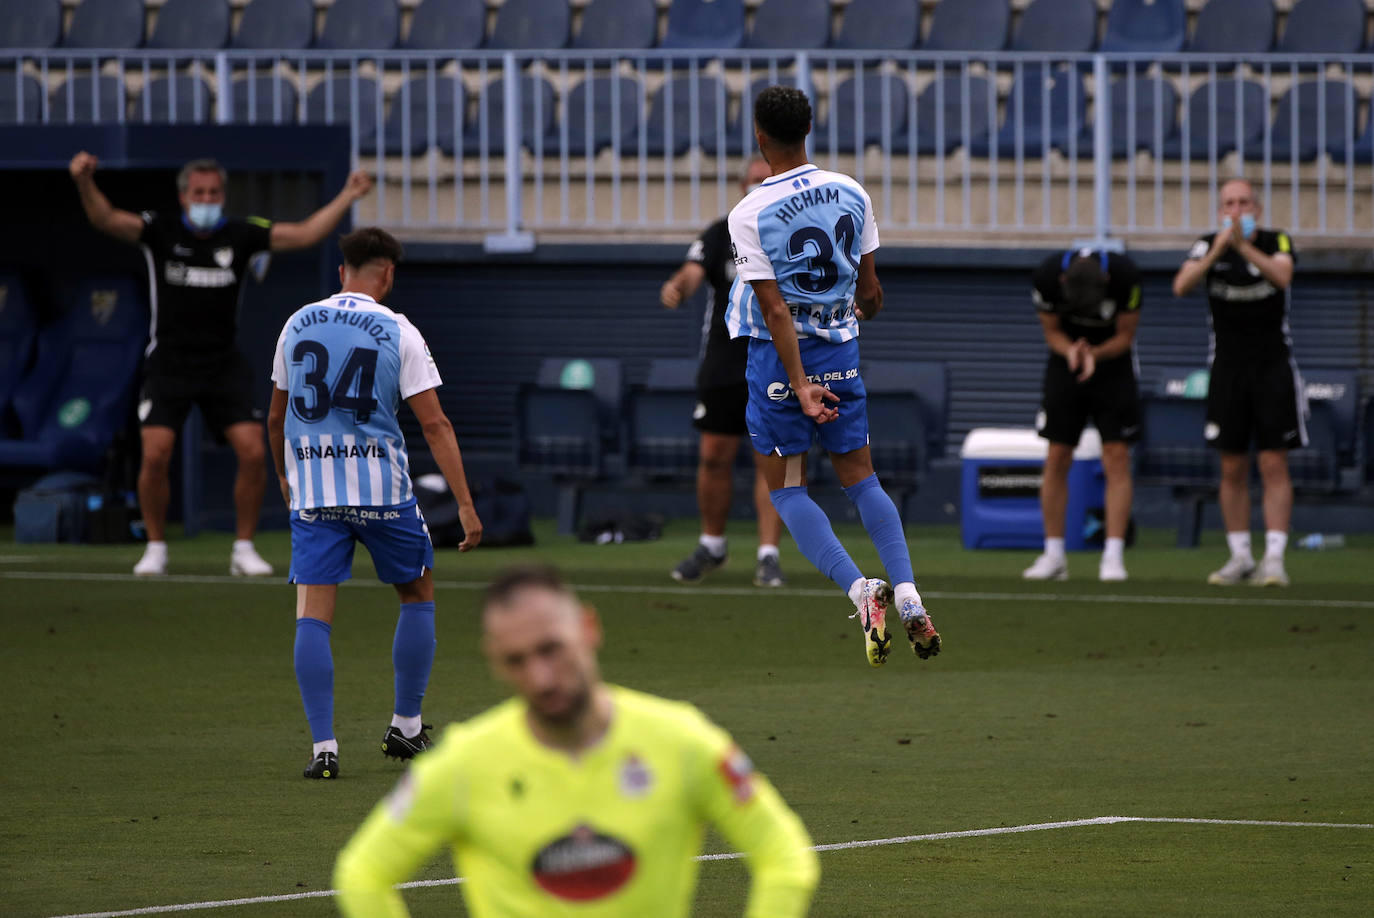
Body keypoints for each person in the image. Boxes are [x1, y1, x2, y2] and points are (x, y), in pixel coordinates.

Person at [334, 563, 819, 918]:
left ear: (588, 629)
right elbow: (362, 873)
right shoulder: (465, 762)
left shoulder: (681, 740)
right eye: (516, 661)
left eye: (551, 649)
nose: (541, 678)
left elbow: (784, 854)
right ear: (494, 660)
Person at [69, 152, 374, 577]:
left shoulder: (241, 235)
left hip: (222, 363)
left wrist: (349, 194)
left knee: (252, 451)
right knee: (156, 454)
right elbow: (105, 219)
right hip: (169, 362)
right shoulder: (160, 231)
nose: (207, 198)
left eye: (213, 192)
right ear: (184, 196)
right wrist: (84, 182)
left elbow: (304, 234)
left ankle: (243, 547)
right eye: (199, 192)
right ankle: (155, 547)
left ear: (222, 196)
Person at [725, 85, 940, 668]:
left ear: (760, 137)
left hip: (780, 363)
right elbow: (871, 294)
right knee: (862, 479)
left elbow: (773, 312)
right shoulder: (851, 190)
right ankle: (908, 591)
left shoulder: (749, 212)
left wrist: (797, 384)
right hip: (841, 355)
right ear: (810, 128)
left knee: (788, 486)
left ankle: (859, 590)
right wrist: (850, 310)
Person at [267, 227, 482, 779]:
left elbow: (275, 415)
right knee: (417, 592)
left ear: (342, 272)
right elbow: (434, 423)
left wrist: (286, 477)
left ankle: (323, 749)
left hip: (315, 489)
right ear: (387, 275)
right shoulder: (398, 330)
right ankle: (405, 728)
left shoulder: (296, 323)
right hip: (381, 492)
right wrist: (464, 503)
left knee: (313, 613)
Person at [660, 156, 787, 588]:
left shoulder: (790, 235)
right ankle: (712, 544)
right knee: (714, 456)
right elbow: (693, 271)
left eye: (766, 180)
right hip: (722, 365)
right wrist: (678, 286)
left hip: (773, 360)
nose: (759, 186)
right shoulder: (722, 233)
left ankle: (768, 555)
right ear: (741, 186)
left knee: (771, 459)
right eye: (753, 180)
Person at [1172, 177, 1301, 587]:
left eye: (1245, 203)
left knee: (1273, 461)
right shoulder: (1207, 245)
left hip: (1273, 368)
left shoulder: (1276, 241)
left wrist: (1245, 248)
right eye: (1229, 203)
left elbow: (1283, 277)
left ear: (1257, 210)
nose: (1237, 210)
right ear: (1220, 211)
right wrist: (1217, 253)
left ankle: (1275, 559)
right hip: (1227, 370)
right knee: (1231, 465)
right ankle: (1240, 556)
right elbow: (1181, 286)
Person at [1022, 248, 1143, 582]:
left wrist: (1096, 354)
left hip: (1114, 367)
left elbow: (1126, 335)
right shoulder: (1046, 276)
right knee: (1057, 455)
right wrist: (1072, 351)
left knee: (1117, 456)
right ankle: (1054, 554)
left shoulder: (1126, 277)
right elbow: (1051, 332)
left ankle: (1113, 556)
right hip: (1066, 364)